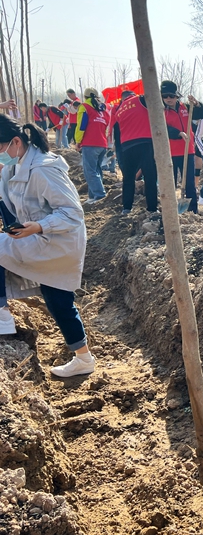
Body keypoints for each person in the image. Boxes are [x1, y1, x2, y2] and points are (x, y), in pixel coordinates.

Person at [0, 116, 96, 377]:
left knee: (59, 300)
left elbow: (72, 213)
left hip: (57, 242)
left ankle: (3, 315)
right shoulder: (15, 165)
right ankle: (83, 358)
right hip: (40, 240)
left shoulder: (43, 168)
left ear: (16, 142)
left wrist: (38, 227)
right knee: (58, 302)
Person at [161, 80, 203, 214]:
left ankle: (193, 212)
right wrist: (178, 133)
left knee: (190, 184)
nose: (168, 99)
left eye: (171, 96)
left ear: (177, 96)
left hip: (188, 150)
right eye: (165, 96)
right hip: (170, 152)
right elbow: (162, 128)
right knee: (171, 183)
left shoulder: (186, 107)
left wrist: (197, 104)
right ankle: (170, 212)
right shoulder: (161, 111)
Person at [114, 90, 159, 215]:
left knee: (128, 178)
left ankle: (126, 208)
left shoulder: (119, 110)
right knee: (150, 177)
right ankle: (152, 208)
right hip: (145, 143)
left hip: (127, 146)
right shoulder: (140, 99)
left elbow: (117, 134)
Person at [75, 88, 109, 205]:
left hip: (90, 143)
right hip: (102, 144)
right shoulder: (103, 109)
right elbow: (106, 125)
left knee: (90, 171)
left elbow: (81, 126)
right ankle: (92, 196)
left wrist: (78, 141)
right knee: (96, 170)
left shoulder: (84, 107)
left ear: (85, 97)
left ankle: (99, 195)